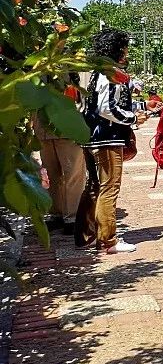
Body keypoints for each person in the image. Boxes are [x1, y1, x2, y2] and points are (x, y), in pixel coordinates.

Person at [79, 29, 146, 254]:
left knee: (94, 186)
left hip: (91, 136)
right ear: (118, 49)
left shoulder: (99, 72)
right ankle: (108, 240)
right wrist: (133, 118)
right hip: (106, 138)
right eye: (125, 48)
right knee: (109, 188)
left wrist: (141, 108)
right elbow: (106, 108)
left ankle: (86, 234)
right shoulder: (111, 74)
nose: (127, 52)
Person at [33, 75, 86, 236]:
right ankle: (57, 214)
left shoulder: (72, 64)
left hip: (67, 129)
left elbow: (83, 95)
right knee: (52, 174)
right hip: (44, 129)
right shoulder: (37, 62)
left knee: (73, 174)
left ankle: (72, 217)